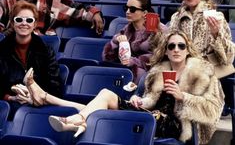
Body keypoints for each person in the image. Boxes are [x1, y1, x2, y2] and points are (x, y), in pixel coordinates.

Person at [20, 31, 224, 144]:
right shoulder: (157, 72)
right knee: (105, 96)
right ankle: (76, 118)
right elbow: (149, 101)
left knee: (101, 112)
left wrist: (183, 97)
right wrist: (139, 100)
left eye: (181, 46)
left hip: (175, 123)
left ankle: (52, 102)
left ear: (188, 50)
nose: (176, 50)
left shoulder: (202, 73)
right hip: (149, 115)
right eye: (171, 46)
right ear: (166, 50)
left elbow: (213, 108)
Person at [0, 0, 62, 119]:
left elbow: (55, 85)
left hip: (40, 106)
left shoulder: (46, 51)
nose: (24, 23)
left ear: (34, 25)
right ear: (12, 23)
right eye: (19, 20)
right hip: (10, 107)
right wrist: (10, 97)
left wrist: (33, 96)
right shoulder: (1, 50)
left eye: (29, 20)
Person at [169, 0, 235, 79]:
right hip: (180, 68)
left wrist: (216, 34)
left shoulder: (216, 16)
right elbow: (168, 49)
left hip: (207, 71)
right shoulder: (176, 17)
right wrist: (159, 33)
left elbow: (228, 57)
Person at [102, 0, 166, 84]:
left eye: (132, 9)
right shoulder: (127, 29)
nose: (127, 12)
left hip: (152, 76)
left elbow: (161, 57)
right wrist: (117, 41)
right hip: (130, 72)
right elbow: (107, 56)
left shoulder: (158, 29)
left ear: (145, 13)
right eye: (126, 8)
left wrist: (135, 61)